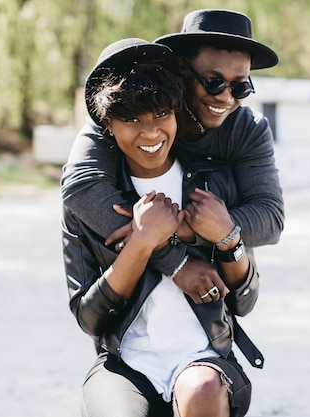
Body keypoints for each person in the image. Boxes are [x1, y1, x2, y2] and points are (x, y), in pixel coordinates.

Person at [62, 38, 260, 417]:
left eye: (160, 114)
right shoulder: (89, 203)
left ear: (177, 110)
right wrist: (142, 243)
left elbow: (245, 302)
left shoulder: (214, 184)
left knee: (201, 390)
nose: (150, 133)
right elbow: (90, 319)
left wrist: (228, 238)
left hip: (206, 357)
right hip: (124, 364)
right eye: (132, 119)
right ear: (107, 123)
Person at [60, 9, 284, 303]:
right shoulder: (136, 104)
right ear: (181, 68)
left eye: (240, 87)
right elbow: (81, 186)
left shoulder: (248, 129)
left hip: (224, 298)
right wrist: (172, 260)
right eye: (213, 81)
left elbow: (270, 218)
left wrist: (183, 228)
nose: (226, 97)